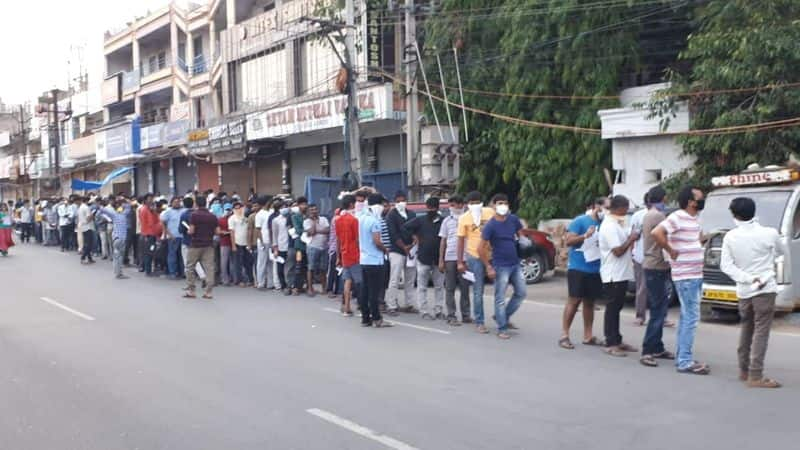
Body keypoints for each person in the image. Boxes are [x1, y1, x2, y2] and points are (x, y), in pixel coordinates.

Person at [720, 197, 784, 388]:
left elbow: (726, 266)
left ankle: (744, 370)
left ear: (735, 215)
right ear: (754, 212)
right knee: (761, 332)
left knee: (747, 328)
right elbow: (781, 252)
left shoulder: (730, 236)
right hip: (765, 288)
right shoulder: (770, 233)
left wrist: (747, 278)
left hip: (744, 290)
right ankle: (755, 376)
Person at [652, 186, 710, 375]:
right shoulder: (677, 216)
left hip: (694, 274)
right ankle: (685, 361)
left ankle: (683, 357)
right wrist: (670, 251)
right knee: (691, 318)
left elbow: (695, 240)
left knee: (687, 317)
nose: (702, 200)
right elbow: (656, 233)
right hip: (686, 276)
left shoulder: (694, 220)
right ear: (691, 202)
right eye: (700, 197)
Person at [559, 197, 608, 349]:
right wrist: (584, 236)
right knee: (574, 301)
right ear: (596, 206)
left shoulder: (605, 224)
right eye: (605, 207)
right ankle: (564, 335)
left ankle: (588, 335)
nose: (606, 211)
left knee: (590, 302)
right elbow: (569, 241)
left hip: (596, 268)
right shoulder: (580, 221)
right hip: (578, 268)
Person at [598, 195, 640, 356]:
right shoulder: (609, 226)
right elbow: (617, 251)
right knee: (612, 309)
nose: (627, 211)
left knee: (617, 308)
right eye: (625, 208)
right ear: (619, 208)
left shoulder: (618, 222)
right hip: (612, 274)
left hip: (621, 273)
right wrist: (631, 239)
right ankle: (610, 342)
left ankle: (617, 339)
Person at [479, 194, 525, 340]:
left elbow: (521, 234)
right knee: (500, 298)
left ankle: (502, 316)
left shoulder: (513, 219)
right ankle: (502, 328)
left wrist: (524, 243)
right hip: (500, 265)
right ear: (493, 205)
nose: (503, 206)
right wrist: (488, 267)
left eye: (505, 203)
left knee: (521, 292)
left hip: (515, 263)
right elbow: (481, 248)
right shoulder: (490, 225)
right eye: (499, 203)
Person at [639, 186, 676, 367]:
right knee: (658, 310)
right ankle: (648, 350)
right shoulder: (658, 216)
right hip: (655, 265)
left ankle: (657, 346)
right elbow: (665, 237)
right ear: (664, 198)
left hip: (653, 263)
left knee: (659, 307)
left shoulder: (650, 214)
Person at [457, 191, 495, 333]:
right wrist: (460, 261)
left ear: (482, 202)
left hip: (491, 255)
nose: (474, 205)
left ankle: (502, 317)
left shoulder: (489, 213)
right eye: (471, 203)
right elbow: (461, 241)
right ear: (468, 205)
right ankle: (480, 321)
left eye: (477, 202)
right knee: (478, 290)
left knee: (500, 288)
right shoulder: (464, 218)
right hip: (474, 256)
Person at [405, 196, 445, 320]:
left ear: (438, 208)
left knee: (439, 286)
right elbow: (405, 227)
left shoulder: (443, 221)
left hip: (438, 258)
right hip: (423, 257)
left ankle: (439, 310)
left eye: (434, 207)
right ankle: (424, 311)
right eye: (430, 207)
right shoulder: (420, 220)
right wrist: (414, 236)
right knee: (422, 286)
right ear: (427, 207)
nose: (432, 210)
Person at [358, 194, 392, 328]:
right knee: (374, 291)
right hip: (375, 260)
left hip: (364, 259)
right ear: (377, 206)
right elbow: (377, 241)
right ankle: (377, 318)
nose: (383, 209)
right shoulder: (374, 221)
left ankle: (366, 318)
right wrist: (385, 250)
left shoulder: (361, 218)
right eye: (382, 206)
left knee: (365, 290)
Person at [384, 190, 417, 315]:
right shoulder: (391, 215)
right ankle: (391, 305)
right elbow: (393, 234)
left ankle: (409, 304)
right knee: (394, 279)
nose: (401, 203)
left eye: (403, 200)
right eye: (398, 201)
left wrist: (414, 240)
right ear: (394, 202)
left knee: (410, 279)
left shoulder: (411, 214)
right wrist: (404, 247)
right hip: (397, 250)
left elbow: (415, 230)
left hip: (410, 251)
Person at [439, 195, 470, 326]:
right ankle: (451, 315)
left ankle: (466, 315)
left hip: (465, 258)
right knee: (450, 288)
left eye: (454, 205)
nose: (452, 208)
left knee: (465, 288)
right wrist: (441, 260)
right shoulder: (447, 221)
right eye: (450, 205)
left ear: (461, 205)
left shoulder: (469, 219)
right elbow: (443, 241)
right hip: (450, 258)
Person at [184, 196, 219, 299]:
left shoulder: (194, 215)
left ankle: (191, 290)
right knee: (209, 268)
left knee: (190, 267)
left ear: (196, 204)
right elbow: (217, 231)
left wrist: (188, 231)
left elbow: (191, 231)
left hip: (195, 245)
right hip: (208, 245)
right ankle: (208, 292)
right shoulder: (212, 216)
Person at [336, 195, 360, 316]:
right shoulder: (354, 220)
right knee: (359, 281)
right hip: (354, 254)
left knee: (347, 281)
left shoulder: (338, 220)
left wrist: (338, 256)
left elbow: (338, 239)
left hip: (344, 253)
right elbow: (357, 239)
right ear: (351, 204)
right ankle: (361, 306)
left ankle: (346, 307)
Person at [630, 193, 649, 326]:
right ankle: (640, 315)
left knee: (659, 289)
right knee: (641, 287)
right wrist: (632, 252)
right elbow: (633, 235)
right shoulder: (638, 216)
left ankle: (661, 316)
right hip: (640, 256)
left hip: (656, 257)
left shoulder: (660, 215)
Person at [304, 204, 330, 297]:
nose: (314, 211)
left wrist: (317, 231)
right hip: (312, 247)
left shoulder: (324, 219)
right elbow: (311, 232)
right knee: (311, 268)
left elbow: (327, 230)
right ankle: (310, 288)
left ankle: (324, 288)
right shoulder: (306, 221)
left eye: (315, 209)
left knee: (324, 268)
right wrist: (314, 222)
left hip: (324, 247)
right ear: (308, 212)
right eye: (311, 210)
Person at [101, 197, 132, 279]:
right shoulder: (122, 214)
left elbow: (103, 210)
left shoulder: (115, 215)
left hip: (116, 238)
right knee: (119, 257)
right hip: (120, 239)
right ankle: (119, 273)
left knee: (116, 257)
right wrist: (124, 200)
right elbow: (128, 206)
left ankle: (117, 272)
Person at [160, 197, 185, 279]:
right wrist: (169, 234)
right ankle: (173, 272)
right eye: (175, 202)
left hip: (182, 236)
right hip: (173, 237)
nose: (177, 203)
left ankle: (182, 272)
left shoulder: (183, 211)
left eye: (178, 202)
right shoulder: (168, 212)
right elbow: (163, 223)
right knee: (172, 255)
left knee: (182, 256)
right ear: (171, 203)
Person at [138, 197, 162, 276]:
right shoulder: (146, 210)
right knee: (149, 253)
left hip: (147, 234)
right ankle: (148, 271)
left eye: (152, 199)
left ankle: (148, 270)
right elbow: (151, 223)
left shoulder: (146, 209)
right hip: (149, 234)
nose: (151, 201)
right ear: (145, 201)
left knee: (148, 252)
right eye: (149, 199)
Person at [289, 197, 309, 295]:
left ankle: (304, 286)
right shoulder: (295, 216)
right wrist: (307, 231)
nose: (304, 206)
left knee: (306, 266)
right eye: (302, 204)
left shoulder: (309, 215)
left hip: (309, 244)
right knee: (298, 266)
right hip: (299, 246)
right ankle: (295, 287)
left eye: (305, 204)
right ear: (298, 205)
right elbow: (298, 230)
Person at [254, 197, 273, 290]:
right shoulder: (259, 214)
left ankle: (270, 283)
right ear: (267, 202)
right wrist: (261, 242)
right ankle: (260, 283)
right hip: (263, 241)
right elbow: (258, 229)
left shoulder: (271, 212)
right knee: (261, 262)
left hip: (271, 240)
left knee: (271, 262)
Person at [272, 203, 291, 293]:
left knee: (291, 266)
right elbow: (274, 235)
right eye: (282, 207)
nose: (284, 209)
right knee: (280, 267)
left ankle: (291, 284)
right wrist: (275, 248)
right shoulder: (276, 220)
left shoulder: (291, 217)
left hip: (291, 245)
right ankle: (283, 285)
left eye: (285, 207)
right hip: (281, 246)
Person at [76, 196, 97, 265]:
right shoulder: (86, 208)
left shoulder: (80, 208)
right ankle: (83, 257)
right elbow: (88, 218)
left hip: (83, 227)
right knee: (89, 244)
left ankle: (89, 258)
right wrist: (92, 215)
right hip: (88, 227)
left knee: (87, 243)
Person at [218, 203, 234, 286]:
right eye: (226, 209)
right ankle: (225, 279)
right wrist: (223, 232)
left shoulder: (234, 219)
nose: (228, 211)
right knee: (224, 262)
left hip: (234, 242)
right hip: (224, 242)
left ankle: (232, 278)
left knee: (232, 262)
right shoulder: (220, 220)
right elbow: (217, 231)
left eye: (229, 209)